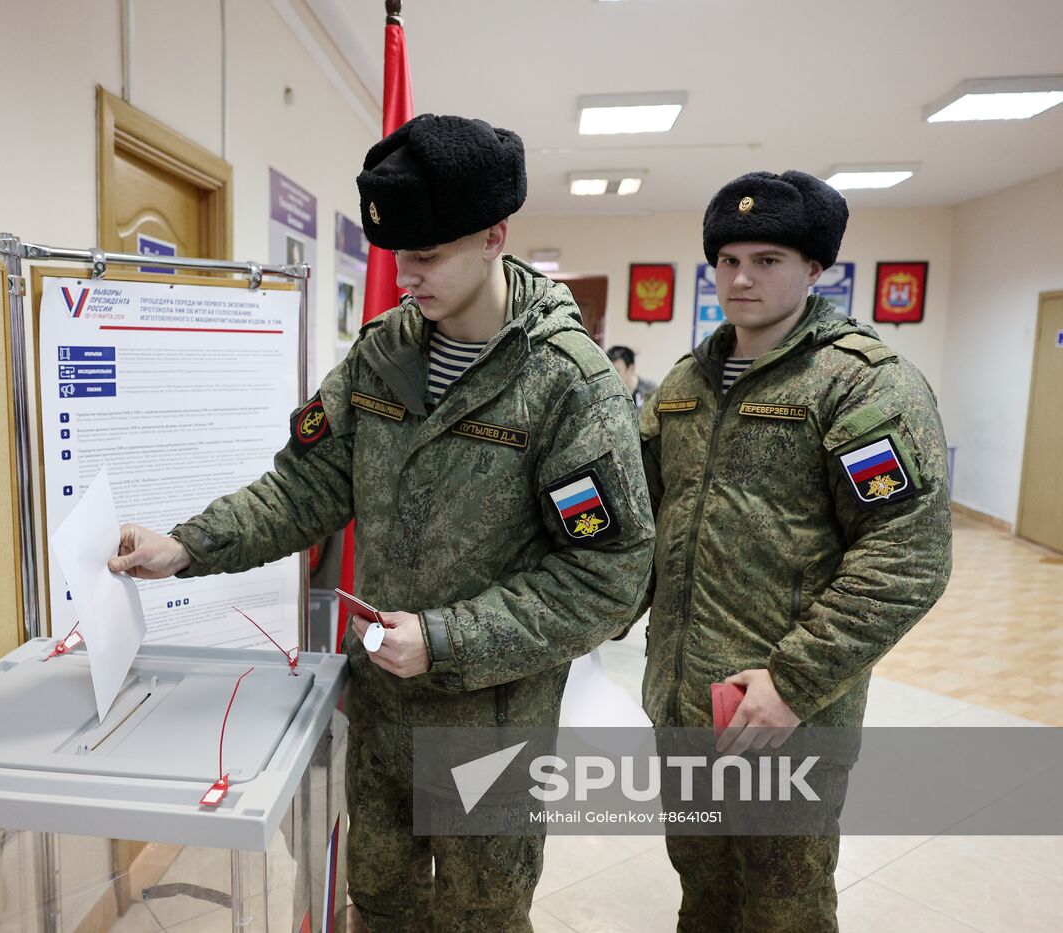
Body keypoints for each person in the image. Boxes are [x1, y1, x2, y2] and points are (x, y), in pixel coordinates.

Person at [108, 114, 654, 932]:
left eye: (428, 255)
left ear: (494, 236)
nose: (407, 276)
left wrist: (446, 638)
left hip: (490, 731)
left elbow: (607, 580)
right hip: (383, 719)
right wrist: (187, 544)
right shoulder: (383, 357)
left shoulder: (566, 386)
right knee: (383, 906)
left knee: (480, 917)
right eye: (399, 254)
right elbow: (303, 488)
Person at [639, 170, 952, 931]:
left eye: (769, 259)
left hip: (787, 713)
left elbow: (906, 556)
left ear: (816, 269)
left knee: (785, 904)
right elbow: (638, 525)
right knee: (702, 889)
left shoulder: (860, 385)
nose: (741, 277)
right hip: (685, 702)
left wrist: (791, 681)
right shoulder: (684, 384)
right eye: (729, 259)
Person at [606, 345, 657, 411]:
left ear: (631, 368)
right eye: (608, 371)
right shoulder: (606, 391)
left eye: (617, 371)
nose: (611, 377)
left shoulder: (650, 390)